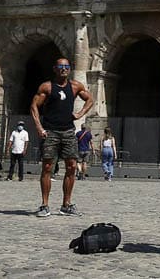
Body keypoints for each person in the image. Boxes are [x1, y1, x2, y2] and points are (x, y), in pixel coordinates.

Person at [30, 57, 94, 217]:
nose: (64, 69)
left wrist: (79, 114)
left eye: (66, 66)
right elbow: (34, 106)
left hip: (68, 131)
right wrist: (39, 127)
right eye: (60, 66)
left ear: (70, 69)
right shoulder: (47, 87)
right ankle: (44, 205)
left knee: (72, 166)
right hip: (51, 131)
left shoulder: (75, 86)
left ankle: (66, 204)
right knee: (47, 167)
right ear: (55, 69)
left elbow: (90, 99)